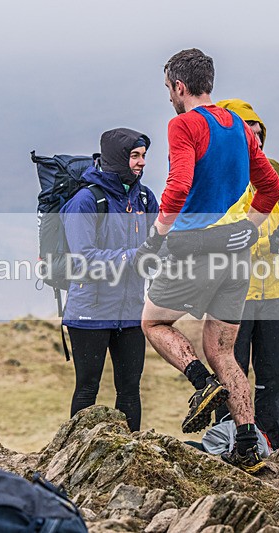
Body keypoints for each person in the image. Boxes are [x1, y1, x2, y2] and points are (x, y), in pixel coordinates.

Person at [138, 49, 279, 474]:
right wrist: (251, 228)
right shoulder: (238, 126)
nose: (169, 96)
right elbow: (271, 187)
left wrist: (155, 237)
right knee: (223, 351)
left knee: (153, 323)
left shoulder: (183, 124)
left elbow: (178, 186)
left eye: (169, 88)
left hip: (192, 246)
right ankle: (247, 444)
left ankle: (202, 384)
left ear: (180, 86)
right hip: (235, 253)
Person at [213, 98, 279, 451]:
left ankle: (276, 449)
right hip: (231, 293)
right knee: (230, 373)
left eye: (259, 134)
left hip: (273, 294)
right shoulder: (216, 177)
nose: (256, 140)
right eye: (248, 134)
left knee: (275, 376)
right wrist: (270, 241)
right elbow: (221, 231)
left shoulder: (276, 172)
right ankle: (228, 446)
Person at [60, 128, 159, 432]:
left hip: (131, 311)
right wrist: (133, 256)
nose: (142, 162)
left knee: (130, 390)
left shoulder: (145, 198)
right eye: (135, 156)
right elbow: (84, 258)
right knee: (87, 388)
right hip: (89, 311)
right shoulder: (86, 201)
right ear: (117, 157)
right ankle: (74, 452)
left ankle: (133, 453)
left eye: (143, 155)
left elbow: (159, 245)